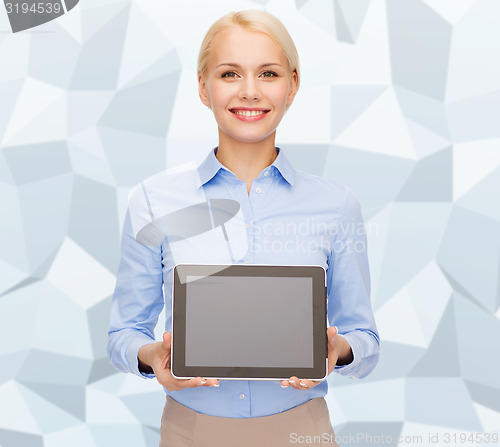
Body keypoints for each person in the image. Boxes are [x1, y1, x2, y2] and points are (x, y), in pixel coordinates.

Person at [107, 9, 380, 447]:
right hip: (189, 431)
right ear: (203, 87)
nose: (249, 92)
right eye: (230, 74)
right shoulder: (154, 201)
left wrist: (338, 350)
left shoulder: (336, 205)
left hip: (301, 429)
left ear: (292, 85)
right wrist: (152, 357)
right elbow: (123, 333)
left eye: (268, 74)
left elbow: (365, 338)